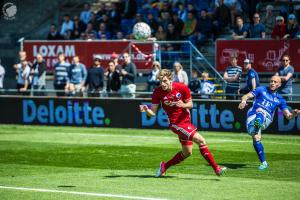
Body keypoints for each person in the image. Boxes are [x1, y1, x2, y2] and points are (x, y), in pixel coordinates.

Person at [140, 69, 227, 177]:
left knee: (187, 153)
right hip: (176, 124)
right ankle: (216, 168)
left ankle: (164, 166)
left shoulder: (181, 87)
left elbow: (190, 104)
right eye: (161, 81)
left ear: (170, 79)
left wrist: (183, 105)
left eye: (165, 81)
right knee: (201, 140)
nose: (162, 84)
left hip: (186, 122)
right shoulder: (157, 92)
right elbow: (152, 113)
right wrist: (146, 110)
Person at [238, 76, 300, 170]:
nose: (272, 83)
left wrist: (294, 114)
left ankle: (256, 124)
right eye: (271, 81)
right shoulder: (260, 89)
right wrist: (243, 101)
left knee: (260, 110)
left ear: (279, 84)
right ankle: (264, 163)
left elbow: (288, 116)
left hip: (266, 118)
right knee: (256, 138)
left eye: (275, 82)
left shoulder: (280, 99)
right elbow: (246, 96)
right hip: (252, 115)